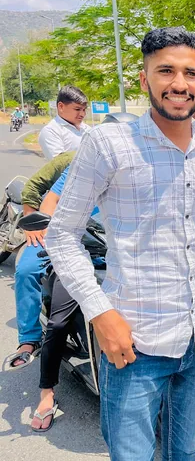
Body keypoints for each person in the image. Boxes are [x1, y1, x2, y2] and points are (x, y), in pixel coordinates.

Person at [46, 26, 195, 461]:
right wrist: (100, 312)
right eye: (165, 71)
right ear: (145, 80)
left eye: (190, 73)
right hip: (135, 343)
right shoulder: (109, 144)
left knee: (185, 453)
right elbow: (62, 235)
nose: (179, 83)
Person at [29, 166, 100, 432]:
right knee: (58, 323)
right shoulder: (81, 166)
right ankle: (46, 393)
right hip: (76, 256)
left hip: (119, 258)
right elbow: (51, 201)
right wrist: (50, 230)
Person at [3, 152, 75, 371]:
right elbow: (48, 197)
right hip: (58, 232)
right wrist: (41, 226)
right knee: (27, 270)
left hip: (101, 239)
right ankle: (29, 339)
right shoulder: (76, 162)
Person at [38, 86, 89, 160]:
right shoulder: (51, 131)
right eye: (77, 109)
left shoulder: (87, 129)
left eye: (84, 110)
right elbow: (60, 163)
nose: (82, 114)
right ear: (61, 107)